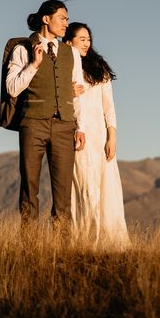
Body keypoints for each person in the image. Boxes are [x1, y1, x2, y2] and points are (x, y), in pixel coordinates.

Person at [5, 0, 86, 233]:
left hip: (65, 126)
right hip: (33, 123)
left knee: (63, 191)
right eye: (62, 18)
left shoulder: (72, 53)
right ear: (46, 19)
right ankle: (30, 244)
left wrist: (80, 127)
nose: (66, 24)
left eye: (67, 19)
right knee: (29, 186)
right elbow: (12, 88)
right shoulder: (22, 49)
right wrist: (34, 64)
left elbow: (77, 92)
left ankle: (62, 246)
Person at [62, 22, 130, 249]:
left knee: (105, 186)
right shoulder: (62, 68)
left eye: (88, 39)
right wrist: (66, 91)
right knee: (84, 185)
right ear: (68, 42)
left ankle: (110, 242)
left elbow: (109, 106)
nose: (86, 43)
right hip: (76, 136)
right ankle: (84, 241)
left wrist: (112, 137)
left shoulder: (99, 68)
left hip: (99, 135)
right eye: (81, 39)